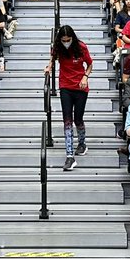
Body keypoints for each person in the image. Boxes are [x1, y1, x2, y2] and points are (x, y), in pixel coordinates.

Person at [44, 25, 93, 171]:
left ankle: (82, 143)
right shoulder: (58, 47)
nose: (66, 42)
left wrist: (85, 77)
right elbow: (52, 59)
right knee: (67, 120)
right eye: (64, 40)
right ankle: (70, 156)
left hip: (80, 86)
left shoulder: (81, 47)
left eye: (68, 40)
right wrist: (48, 67)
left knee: (78, 119)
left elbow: (90, 64)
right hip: (65, 86)